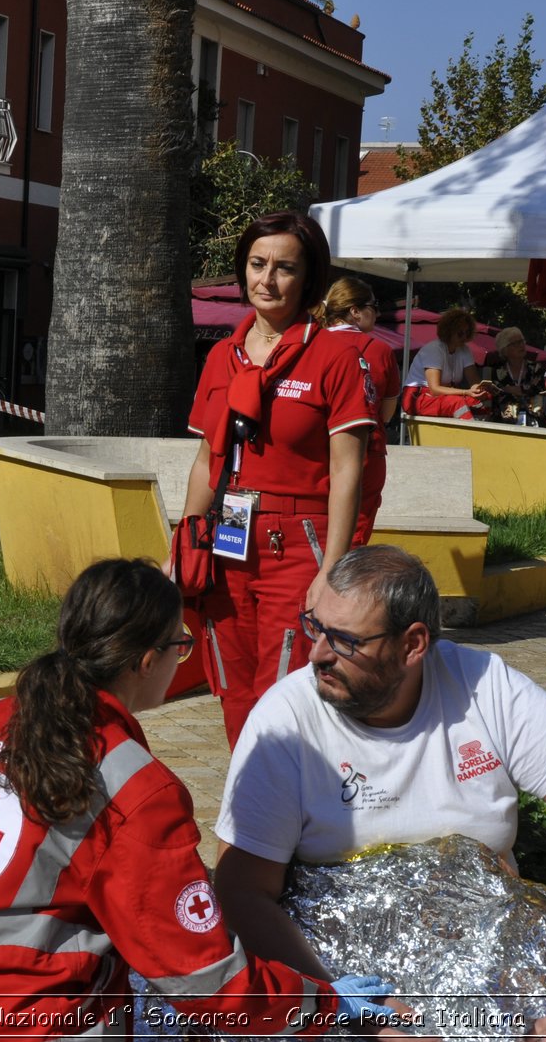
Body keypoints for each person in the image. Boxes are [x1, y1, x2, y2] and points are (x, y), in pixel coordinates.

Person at [0, 558, 397, 1041]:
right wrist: (322, 1005)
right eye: (180, 645)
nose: (181, 658)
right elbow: (206, 981)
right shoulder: (136, 789)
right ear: (147, 661)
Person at [213, 545, 546, 1042]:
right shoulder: (287, 721)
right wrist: (338, 1002)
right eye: (316, 626)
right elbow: (242, 889)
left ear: (413, 644)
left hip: (494, 951)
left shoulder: (484, 688)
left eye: (346, 641)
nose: (317, 655)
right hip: (339, 972)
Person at [180, 211, 375, 748]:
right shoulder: (222, 356)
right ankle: (249, 806)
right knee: (232, 682)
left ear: (307, 278)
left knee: (288, 684)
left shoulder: (336, 356)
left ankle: (293, 812)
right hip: (227, 540)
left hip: (299, 543)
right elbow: (206, 461)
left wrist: (332, 568)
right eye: (257, 264)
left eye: (283, 267)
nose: (267, 279)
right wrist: (188, 537)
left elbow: (347, 469)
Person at [320, 276, 400, 546]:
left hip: (315, 451)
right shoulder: (380, 351)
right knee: (353, 534)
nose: (376, 313)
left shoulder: (308, 345)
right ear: (354, 311)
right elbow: (386, 413)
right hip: (364, 451)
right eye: (373, 306)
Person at [400, 306, 493, 419]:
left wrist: (480, 390)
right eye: (460, 333)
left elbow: (474, 381)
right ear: (449, 331)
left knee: (478, 403)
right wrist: (466, 392)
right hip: (417, 397)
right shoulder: (434, 349)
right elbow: (435, 389)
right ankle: (469, 433)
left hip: (443, 395)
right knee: (456, 403)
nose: (464, 337)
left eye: (467, 332)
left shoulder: (465, 350)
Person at [484, 326, 546, 425]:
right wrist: (518, 390)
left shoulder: (536, 368)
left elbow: (537, 389)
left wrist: (508, 389)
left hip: (534, 423)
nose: (521, 345)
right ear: (504, 349)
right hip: (503, 423)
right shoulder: (496, 371)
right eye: (515, 343)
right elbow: (495, 392)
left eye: (522, 341)